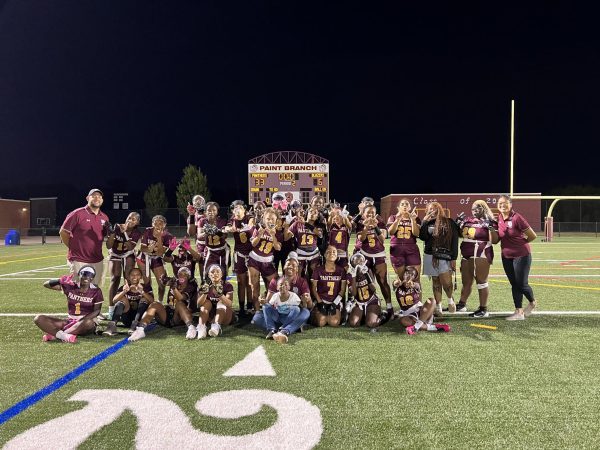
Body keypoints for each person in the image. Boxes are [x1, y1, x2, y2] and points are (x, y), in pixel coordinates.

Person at [35, 266, 103, 343]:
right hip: (69, 321)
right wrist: (59, 280)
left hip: (85, 322)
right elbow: (46, 284)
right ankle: (64, 336)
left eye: (90, 275)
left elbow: (97, 311)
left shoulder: (96, 291)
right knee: (39, 318)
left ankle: (59, 334)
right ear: (79, 275)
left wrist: (81, 320)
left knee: (89, 323)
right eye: (84, 274)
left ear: (92, 278)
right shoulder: (71, 286)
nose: (86, 277)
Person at [455, 200, 499, 318]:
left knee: (481, 281)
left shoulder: (490, 221)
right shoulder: (468, 220)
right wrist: (457, 224)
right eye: (473, 208)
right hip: (466, 252)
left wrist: (491, 228)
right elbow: (461, 234)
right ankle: (462, 304)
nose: (474, 210)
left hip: (481, 252)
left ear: (484, 208)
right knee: (466, 282)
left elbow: (495, 240)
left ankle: (483, 308)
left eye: (477, 208)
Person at [128, 267, 198, 341]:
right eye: (180, 274)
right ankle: (140, 329)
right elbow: (164, 282)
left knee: (179, 304)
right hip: (168, 314)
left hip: (180, 317)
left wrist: (174, 288)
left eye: (184, 275)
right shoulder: (175, 282)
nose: (182, 277)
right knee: (155, 304)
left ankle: (191, 327)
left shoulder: (191, 286)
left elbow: (180, 298)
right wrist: (163, 279)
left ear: (188, 277)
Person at [497, 195, 538, 320]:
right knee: (514, 284)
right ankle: (519, 312)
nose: (502, 205)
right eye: (500, 203)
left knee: (521, 283)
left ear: (510, 204)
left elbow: (532, 235)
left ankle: (532, 302)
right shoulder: (499, 218)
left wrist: (520, 243)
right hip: (506, 256)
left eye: (505, 203)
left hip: (521, 255)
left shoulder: (517, 217)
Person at [252, 253, 312, 337]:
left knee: (305, 312)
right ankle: (291, 327)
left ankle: (285, 330)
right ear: (284, 266)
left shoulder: (302, 282)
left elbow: (309, 305)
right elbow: (269, 303)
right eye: (288, 264)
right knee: (256, 318)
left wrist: (307, 299)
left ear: (297, 269)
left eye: (293, 265)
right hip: (277, 314)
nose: (290, 266)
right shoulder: (275, 281)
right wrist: (263, 301)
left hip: (292, 314)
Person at [59, 188, 110, 284]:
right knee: (78, 291)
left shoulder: (104, 217)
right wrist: (72, 247)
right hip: (79, 259)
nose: (97, 198)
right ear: (87, 198)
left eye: (99, 196)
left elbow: (104, 238)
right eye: (93, 196)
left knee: (94, 290)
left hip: (97, 260)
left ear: (102, 200)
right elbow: (63, 232)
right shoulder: (77, 213)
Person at [419, 202, 460, 315]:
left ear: (439, 209)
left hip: (444, 255)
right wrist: (425, 222)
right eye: (430, 209)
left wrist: (454, 258)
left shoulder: (449, 222)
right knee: (436, 282)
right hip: (429, 255)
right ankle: (439, 306)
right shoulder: (427, 223)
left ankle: (450, 300)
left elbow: (454, 240)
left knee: (446, 282)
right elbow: (423, 237)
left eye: (435, 208)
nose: (432, 210)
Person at [357, 204, 393, 316]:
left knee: (383, 282)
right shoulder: (360, 223)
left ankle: (389, 307)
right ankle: (372, 305)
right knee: (368, 282)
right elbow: (361, 239)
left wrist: (376, 226)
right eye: (368, 212)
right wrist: (366, 227)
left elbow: (382, 239)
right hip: (365, 255)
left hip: (379, 255)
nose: (370, 214)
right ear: (364, 214)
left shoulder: (380, 222)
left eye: (372, 212)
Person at [105, 212, 142, 320]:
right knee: (115, 278)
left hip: (127, 253)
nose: (131, 220)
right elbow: (108, 245)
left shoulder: (136, 232)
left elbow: (130, 247)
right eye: (129, 217)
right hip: (115, 253)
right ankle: (111, 309)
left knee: (129, 279)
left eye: (134, 219)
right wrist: (112, 233)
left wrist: (124, 233)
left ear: (137, 223)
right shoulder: (117, 227)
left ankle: (130, 305)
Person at [393, 266, 451, 335]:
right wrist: (395, 283)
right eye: (407, 273)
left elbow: (417, 286)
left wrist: (413, 285)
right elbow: (394, 284)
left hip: (422, 312)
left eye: (412, 275)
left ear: (414, 278)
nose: (409, 276)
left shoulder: (415, 284)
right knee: (403, 321)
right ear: (403, 274)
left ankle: (415, 327)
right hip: (410, 315)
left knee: (431, 301)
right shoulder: (399, 285)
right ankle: (433, 327)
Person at [103, 267, 154, 336]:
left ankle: (135, 325)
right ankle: (112, 325)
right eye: (132, 275)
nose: (135, 276)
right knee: (122, 298)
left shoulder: (146, 287)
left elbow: (152, 302)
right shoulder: (125, 287)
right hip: (127, 318)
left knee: (144, 299)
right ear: (129, 277)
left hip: (141, 319)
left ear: (141, 277)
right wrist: (124, 291)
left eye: (137, 274)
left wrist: (142, 292)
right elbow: (114, 300)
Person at [247, 207, 281, 311]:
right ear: (263, 219)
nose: (270, 221)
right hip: (255, 260)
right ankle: (257, 311)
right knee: (255, 287)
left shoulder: (277, 231)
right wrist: (260, 234)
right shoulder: (258, 228)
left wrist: (273, 236)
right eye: (268, 219)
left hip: (268, 261)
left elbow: (278, 248)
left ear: (276, 220)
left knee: (274, 286)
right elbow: (253, 243)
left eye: (272, 219)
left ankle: (270, 309)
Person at [225, 200, 255, 315]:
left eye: (240, 208)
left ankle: (250, 307)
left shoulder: (249, 217)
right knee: (241, 282)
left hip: (251, 254)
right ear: (232, 210)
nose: (237, 210)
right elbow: (227, 228)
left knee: (250, 283)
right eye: (235, 208)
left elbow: (250, 226)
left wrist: (239, 229)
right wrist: (228, 229)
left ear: (244, 209)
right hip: (239, 254)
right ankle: (242, 308)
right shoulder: (232, 220)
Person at [346, 253, 389, 329]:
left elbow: (373, 289)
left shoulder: (368, 271)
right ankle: (364, 316)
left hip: (371, 300)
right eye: (356, 262)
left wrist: (366, 274)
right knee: (353, 323)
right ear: (352, 263)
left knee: (371, 323)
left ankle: (384, 316)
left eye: (360, 261)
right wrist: (354, 277)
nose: (359, 264)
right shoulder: (349, 275)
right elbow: (354, 293)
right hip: (359, 302)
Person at [136, 215, 174, 302]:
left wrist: (159, 238)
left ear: (165, 225)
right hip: (143, 257)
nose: (158, 225)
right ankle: (149, 302)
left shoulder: (168, 236)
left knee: (161, 283)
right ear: (152, 224)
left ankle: (159, 302)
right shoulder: (147, 231)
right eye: (155, 223)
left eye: (160, 223)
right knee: (147, 283)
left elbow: (160, 253)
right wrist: (148, 249)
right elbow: (142, 248)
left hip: (157, 258)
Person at [311, 246, 347, 327]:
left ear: (337, 255)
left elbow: (342, 290)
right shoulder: (318, 270)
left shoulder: (341, 270)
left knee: (334, 323)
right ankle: (315, 313)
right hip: (322, 300)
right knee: (321, 323)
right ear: (324, 254)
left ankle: (338, 312)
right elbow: (314, 289)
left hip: (335, 301)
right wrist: (320, 303)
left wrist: (335, 303)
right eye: (329, 252)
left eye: (334, 252)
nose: (331, 253)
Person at [196, 265, 235, 338]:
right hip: (210, 315)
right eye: (212, 272)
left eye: (218, 272)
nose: (215, 274)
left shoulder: (227, 285)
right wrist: (205, 293)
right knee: (206, 302)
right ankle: (201, 327)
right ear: (208, 274)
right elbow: (198, 304)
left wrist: (220, 295)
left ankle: (216, 326)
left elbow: (229, 304)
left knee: (221, 302)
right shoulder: (205, 285)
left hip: (224, 315)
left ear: (221, 274)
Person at [386, 198, 421, 280]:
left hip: (412, 249)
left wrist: (413, 220)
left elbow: (416, 234)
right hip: (397, 250)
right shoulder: (393, 217)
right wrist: (397, 220)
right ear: (398, 207)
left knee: (415, 278)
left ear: (410, 208)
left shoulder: (415, 218)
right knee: (402, 279)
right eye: (402, 204)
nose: (405, 206)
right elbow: (390, 232)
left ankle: (416, 293)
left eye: (407, 204)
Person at [286, 207, 323, 279]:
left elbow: (319, 234)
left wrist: (305, 223)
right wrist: (287, 224)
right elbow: (286, 237)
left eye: (315, 213)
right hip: (300, 251)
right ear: (307, 213)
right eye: (311, 211)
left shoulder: (319, 225)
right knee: (297, 272)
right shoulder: (297, 223)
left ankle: (313, 289)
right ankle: (298, 289)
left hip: (314, 253)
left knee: (314, 273)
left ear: (317, 216)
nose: (312, 214)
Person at [262, 278, 303, 343]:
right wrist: (264, 302)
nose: (283, 286)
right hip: (278, 316)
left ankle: (283, 328)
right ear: (277, 287)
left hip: (287, 318)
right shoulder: (275, 295)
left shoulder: (294, 296)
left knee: (296, 309)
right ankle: (272, 330)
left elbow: (300, 308)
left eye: (286, 285)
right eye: (281, 285)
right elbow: (269, 307)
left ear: (289, 287)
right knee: (265, 307)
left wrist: (304, 301)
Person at [198, 202, 230, 279]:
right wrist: (206, 232)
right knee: (207, 274)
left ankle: (223, 289)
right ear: (205, 212)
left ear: (217, 212)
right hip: (210, 250)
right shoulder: (202, 221)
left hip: (222, 251)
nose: (211, 212)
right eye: (209, 210)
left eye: (213, 210)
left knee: (222, 274)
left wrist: (216, 231)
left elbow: (224, 236)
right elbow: (199, 236)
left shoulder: (222, 221)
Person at [186, 195, 207, 281]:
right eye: (196, 201)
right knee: (204, 277)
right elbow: (191, 233)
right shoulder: (193, 216)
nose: (198, 203)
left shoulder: (209, 212)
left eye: (200, 201)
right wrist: (191, 216)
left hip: (213, 247)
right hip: (201, 247)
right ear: (193, 203)